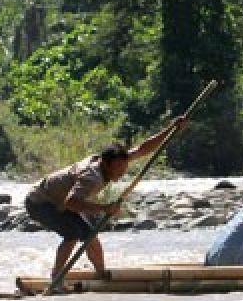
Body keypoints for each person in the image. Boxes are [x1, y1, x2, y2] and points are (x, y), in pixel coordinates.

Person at [24, 116, 187, 279]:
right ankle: (57, 278)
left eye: (124, 168)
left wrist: (171, 129)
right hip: (39, 202)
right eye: (117, 169)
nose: (121, 172)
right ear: (105, 164)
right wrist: (104, 208)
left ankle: (101, 275)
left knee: (90, 236)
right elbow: (71, 202)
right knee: (72, 234)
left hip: (58, 200)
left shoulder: (115, 160)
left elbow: (142, 149)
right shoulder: (92, 177)